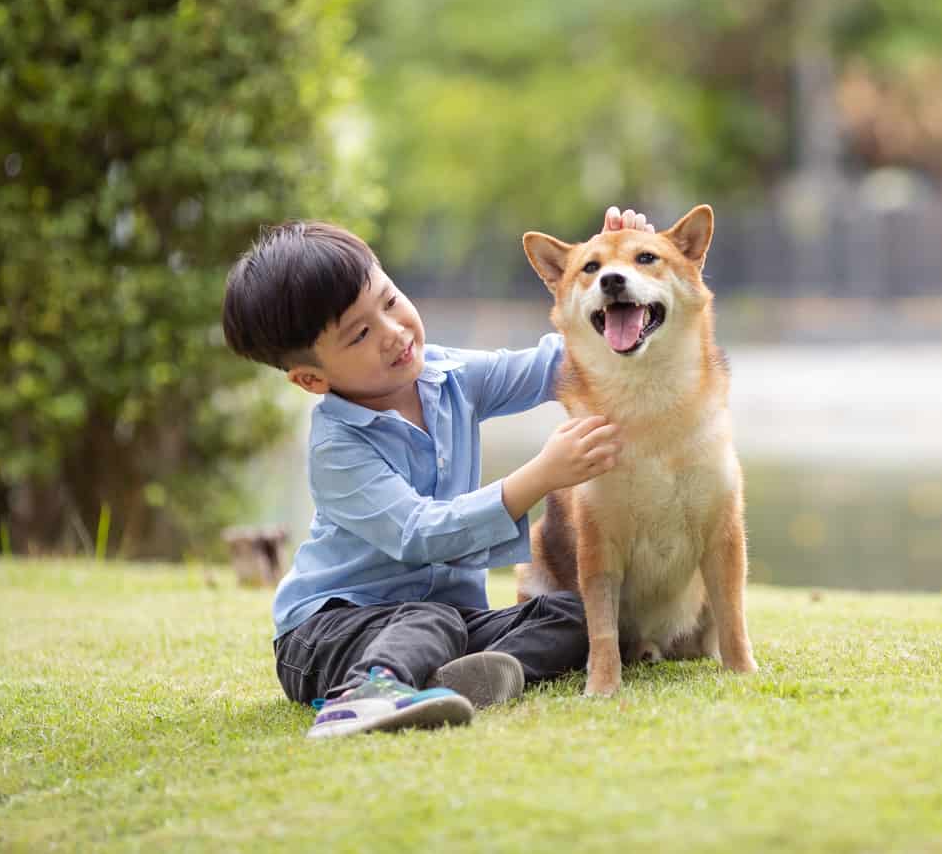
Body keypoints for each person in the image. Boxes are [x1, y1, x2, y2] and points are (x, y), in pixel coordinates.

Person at [221, 206, 652, 738]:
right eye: (359, 335)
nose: (393, 332)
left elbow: (554, 365)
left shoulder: (450, 377)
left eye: (390, 301)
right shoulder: (338, 446)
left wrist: (609, 277)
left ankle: (461, 679)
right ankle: (366, 695)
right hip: (328, 634)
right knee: (432, 618)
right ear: (312, 379)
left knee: (576, 614)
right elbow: (418, 534)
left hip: (448, 621)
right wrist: (539, 477)